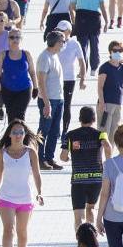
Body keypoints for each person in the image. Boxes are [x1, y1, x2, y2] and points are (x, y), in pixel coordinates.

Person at [0, 120, 46, 247]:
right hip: (6, 197)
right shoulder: (3, 152)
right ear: (9, 134)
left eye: (21, 132)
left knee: (22, 231)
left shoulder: (30, 152)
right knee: (9, 229)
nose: (18, 135)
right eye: (14, 132)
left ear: (25, 135)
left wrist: (40, 192)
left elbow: (36, 173)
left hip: (25, 198)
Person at [64, 106, 110, 229]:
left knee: (78, 216)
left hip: (78, 179)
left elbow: (63, 157)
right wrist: (107, 163)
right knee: (90, 208)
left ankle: (81, 243)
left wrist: (68, 158)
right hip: (96, 179)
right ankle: (93, 240)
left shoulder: (70, 135)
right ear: (94, 119)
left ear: (80, 119)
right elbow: (108, 147)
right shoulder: (101, 134)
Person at [96, 40, 123, 140]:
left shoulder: (122, 68)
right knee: (103, 134)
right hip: (106, 104)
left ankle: (110, 155)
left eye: (120, 51)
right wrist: (102, 103)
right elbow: (100, 87)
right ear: (110, 52)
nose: (117, 53)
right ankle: (100, 155)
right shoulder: (105, 67)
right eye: (115, 50)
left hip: (117, 104)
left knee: (113, 135)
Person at [54, 21, 88, 150]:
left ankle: (64, 130)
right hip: (55, 78)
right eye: (59, 30)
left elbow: (81, 61)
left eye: (64, 31)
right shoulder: (55, 41)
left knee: (66, 104)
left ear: (69, 31)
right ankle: (56, 129)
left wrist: (83, 78)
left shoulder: (74, 43)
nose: (61, 33)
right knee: (56, 104)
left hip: (69, 78)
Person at [35, 32, 67, 170]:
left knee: (55, 131)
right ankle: (39, 159)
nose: (63, 44)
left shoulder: (55, 56)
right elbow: (41, 82)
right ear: (56, 42)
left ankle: (49, 157)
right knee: (44, 130)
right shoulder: (44, 57)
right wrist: (46, 103)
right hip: (48, 100)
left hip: (58, 99)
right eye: (62, 41)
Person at [0, 29, 36, 125]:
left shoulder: (26, 54)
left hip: (24, 89)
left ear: (21, 39)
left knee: (20, 115)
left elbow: (32, 72)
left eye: (17, 37)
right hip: (7, 90)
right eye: (12, 37)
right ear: (8, 39)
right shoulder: (3, 55)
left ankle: (22, 138)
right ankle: (10, 139)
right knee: (11, 115)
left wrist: (36, 87)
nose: (15, 40)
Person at [72, 0, 110, 70]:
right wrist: (106, 21)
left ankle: (83, 69)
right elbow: (102, 6)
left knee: (82, 45)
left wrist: (78, 11)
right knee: (94, 44)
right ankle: (94, 67)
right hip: (94, 18)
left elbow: (72, 5)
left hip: (81, 17)